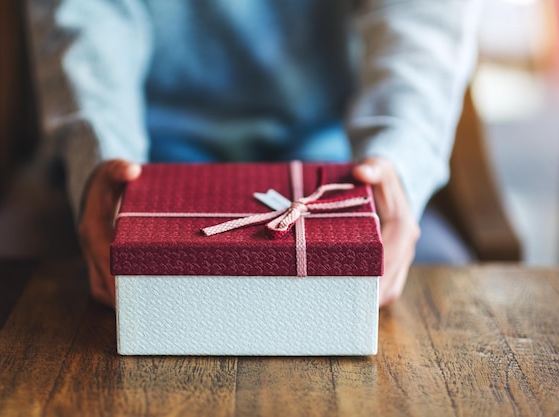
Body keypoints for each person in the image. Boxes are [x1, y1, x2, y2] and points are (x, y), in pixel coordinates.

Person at [52, 0, 480, 308]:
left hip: (333, 155)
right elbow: (88, 15)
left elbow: (420, 17)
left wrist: (398, 160)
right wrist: (99, 149)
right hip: (144, 152)